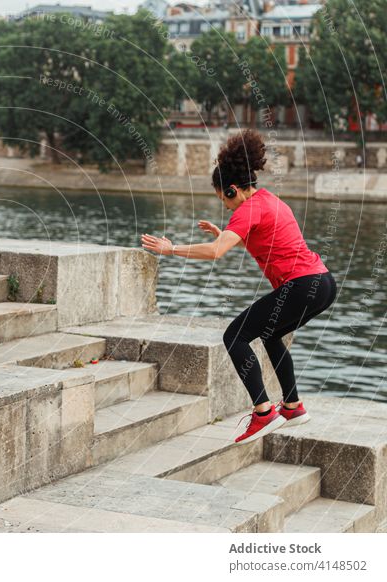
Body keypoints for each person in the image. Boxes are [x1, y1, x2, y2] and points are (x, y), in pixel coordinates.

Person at [140, 129, 337, 445]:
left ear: (231, 190)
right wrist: (226, 232)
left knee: (235, 335)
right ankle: (293, 406)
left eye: (223, 199)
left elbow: (216, 252)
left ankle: (263, 413)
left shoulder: (246, 210)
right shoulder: (269, 201)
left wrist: (171, 249)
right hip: (324, 283)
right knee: (271, 335)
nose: (226, 207)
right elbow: (270, 243)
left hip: (302, 285)